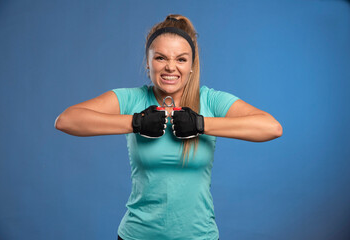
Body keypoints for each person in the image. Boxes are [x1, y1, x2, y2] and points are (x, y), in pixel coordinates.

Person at [54, 14, 282, 240]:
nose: (170, 67)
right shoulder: (132, 99)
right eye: (161, 58)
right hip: (137, 235)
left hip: (198, 236)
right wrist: (136, 122)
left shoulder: (210, 101)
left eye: (181, 59)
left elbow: (271, 127)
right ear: (148, 62)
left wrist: (201, 124)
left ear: (192, 65)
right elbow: (67, 120)